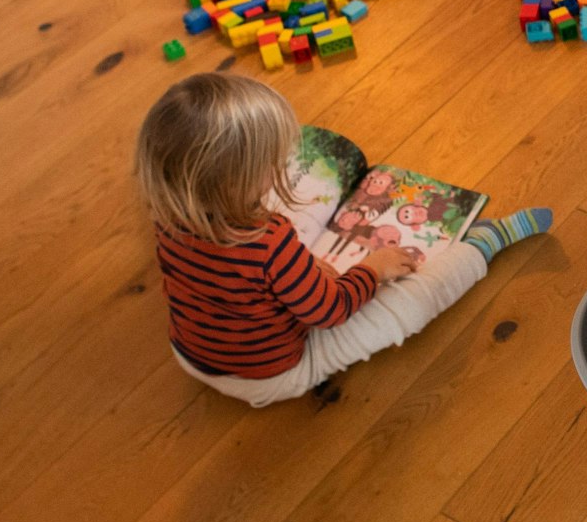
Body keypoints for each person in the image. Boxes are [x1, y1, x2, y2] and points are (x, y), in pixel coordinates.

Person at [136, 73, 551, 407]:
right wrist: (371, 270)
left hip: (190, 355)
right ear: (234, 181)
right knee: (407, 306)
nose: (281, 164)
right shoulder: (268, 242)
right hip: (273, 375)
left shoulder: (168, 215)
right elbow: (330, 310)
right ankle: (483, 244)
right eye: (270, 164)